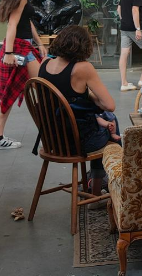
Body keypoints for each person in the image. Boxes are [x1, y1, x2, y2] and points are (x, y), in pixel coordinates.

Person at [38, 25, 118, 196]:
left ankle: (95, 181)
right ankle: (98, 190)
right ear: (83, 46)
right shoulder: (82, 68)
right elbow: (109, 104)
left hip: (52, 140)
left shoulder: (45, 63)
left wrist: (84, 95)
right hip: (76, 143)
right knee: (111, 121)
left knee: (104, 120)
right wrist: (90, 95)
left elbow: (64, 100)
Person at [0, 0, 46, 149]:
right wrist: (8, 53)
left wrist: (39, 42)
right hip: (19, 49)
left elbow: (25, 22)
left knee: (12, 93)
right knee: (43, 87)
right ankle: (53, 131)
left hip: (22, 47)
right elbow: (12, 24)